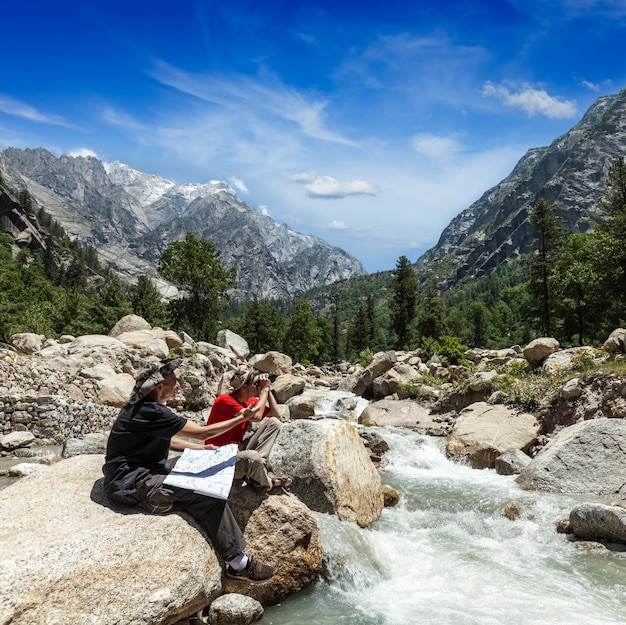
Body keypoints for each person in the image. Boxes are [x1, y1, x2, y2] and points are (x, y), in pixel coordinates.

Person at [103, 358, 274, 583]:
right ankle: (238, 564)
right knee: (209, 493)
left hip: (144, 471)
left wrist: (201, 449)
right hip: (134, 484)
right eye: (174, 381)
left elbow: (172, 441)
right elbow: (203, 432)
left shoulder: (141, 407)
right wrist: (241, 418)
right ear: (159, 387)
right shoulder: (151, 410)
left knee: (204, 465)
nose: (179, 385)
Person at [205, 368, 292, 492]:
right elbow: (256, 417)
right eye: (255, 383)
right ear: (244, 387)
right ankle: (267, 482)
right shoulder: (225, 401)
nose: (258, 386)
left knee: (274, 423)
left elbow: (276, 414)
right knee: (252, 457)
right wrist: (264, 390)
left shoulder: (249, 401)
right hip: (219, 456)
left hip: (237, 448)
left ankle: (258, 469)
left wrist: (268, 390)